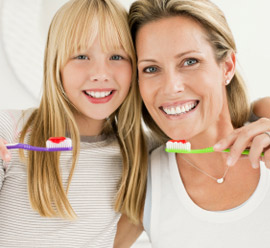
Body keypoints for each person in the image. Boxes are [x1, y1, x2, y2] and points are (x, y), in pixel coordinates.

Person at [114, 0, 270, 247]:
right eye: (151, 68)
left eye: (189, 61)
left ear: (227, 67)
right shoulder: (145, 183)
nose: (171, 87)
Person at [0, 0, 148, 247]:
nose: (100, 73)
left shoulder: (144, 154)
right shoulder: (10, 131)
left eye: (116, 56)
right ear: (55, 64)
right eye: (81, 56)